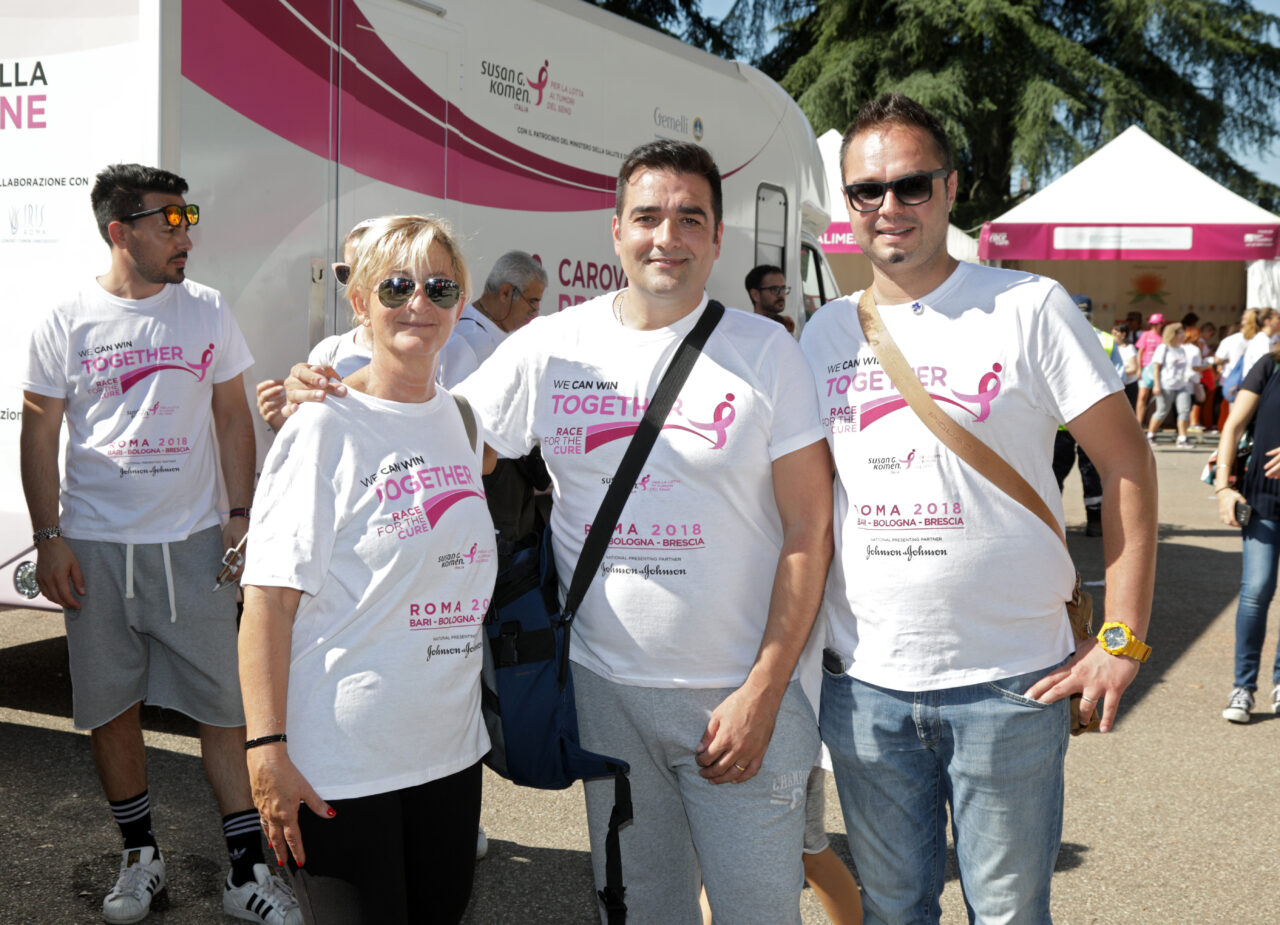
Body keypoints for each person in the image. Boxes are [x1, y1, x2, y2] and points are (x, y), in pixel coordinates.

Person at [290, 140, 834, 923]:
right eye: (647, 216)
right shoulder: (550, 348)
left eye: (690, 218)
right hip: (606, 698)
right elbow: (437, 439)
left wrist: (765, 688)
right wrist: (335, 394)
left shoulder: (767, 354)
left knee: (756, 910)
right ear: (615, 231)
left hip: (741, 699)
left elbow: (808, 532)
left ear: (717, 237)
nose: (666, 236)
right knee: (643, 910)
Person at [799, 93, 1157, 924]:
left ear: (952, 188)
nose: (890, 207)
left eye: (912, 185)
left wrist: (1124, 637)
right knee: (893, 909)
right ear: (847, 205)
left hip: (1014, 683)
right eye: (867, 191)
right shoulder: (823, 335)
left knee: (1007, 912)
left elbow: (1128, 462)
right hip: (864, 688)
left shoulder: (1030, 306)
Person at [19, 164, 299, 924]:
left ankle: (247, 872)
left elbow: (233, 418)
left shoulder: (205, 311)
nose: (186, 235)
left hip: (193, 546)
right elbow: (39, 431)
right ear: (120, 230)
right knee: (111, 710)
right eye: (168, 221)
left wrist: (239, 517)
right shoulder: (66, 319)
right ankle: (139, 856)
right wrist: (49, 538)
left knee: (225, 710)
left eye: (188, 218)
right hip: (96, 547)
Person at [238, 214, 496, 925]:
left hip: (448, 753)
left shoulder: (463, 420)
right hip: (342, 766)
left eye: (440, 287)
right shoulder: (323, 425)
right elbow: (266, 603)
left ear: (460, 304)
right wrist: (265, 753)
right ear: (359, 303)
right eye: (396, 285)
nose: (419, 302)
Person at [256, 219, 379, 431]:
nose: (357, 286)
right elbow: (314, 437)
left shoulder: (448, 350)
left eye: (368, 271)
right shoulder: (329, 351)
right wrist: (285, 422)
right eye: (346, 274)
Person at [1213, 341, 1280, 723]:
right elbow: (1234, 425)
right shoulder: (1269, 365)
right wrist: (1224, 487)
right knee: (1256, 591)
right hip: (1264, 502)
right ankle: (1244, 687)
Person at [1052, 295, 1125, 536]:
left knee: (1053, 473)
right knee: (1092, 470)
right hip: (1094, 418)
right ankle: (1095, 522)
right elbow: (1118, 381)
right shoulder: (1106, 339)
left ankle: (1052, 524)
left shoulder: (1053, 337)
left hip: (1060, 420)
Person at [437, 250, 547, 385]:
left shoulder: (485, 328)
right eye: (532, 301)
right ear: (506, 293)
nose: (535, 312)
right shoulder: (473, 339)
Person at [1147, 322, 1198, 446]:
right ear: (1172, 334)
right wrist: (1156, 385)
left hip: (1181, 385)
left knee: (1185, 410)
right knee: (1162, 411)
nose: (1183, 335)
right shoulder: (1163, 348)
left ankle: (1182, 438)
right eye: (1180, 332)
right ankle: (1150, 435)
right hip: (1166, 385)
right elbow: (1156, 367)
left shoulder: (1182, 350)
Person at [1134, 312, 1166, 425]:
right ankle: (1139, 423)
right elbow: (1140, 352)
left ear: (1162, 324)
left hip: (1160, 370)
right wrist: (1138, 369)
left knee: (1158, 398)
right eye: (1153, 324)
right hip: (1146, 369)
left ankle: (1154, 423)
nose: (1155, 326)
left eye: (1157, 324)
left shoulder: (1164, 337)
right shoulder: (1146, 335)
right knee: (1142, 396)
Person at [745, 264, 794, 331]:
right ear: (755, 295)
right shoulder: (748, 331)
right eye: (774, 289)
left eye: (783, 288)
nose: (781, 294)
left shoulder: (786, 328)